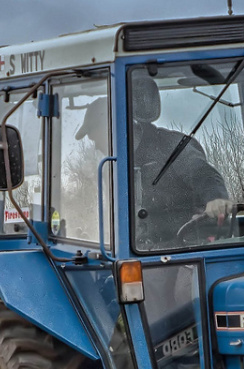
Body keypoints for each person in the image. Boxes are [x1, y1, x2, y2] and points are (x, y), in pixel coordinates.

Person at [78, 75, 235, 248]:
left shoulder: (170, 145)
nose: (97, 147)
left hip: (184, 250)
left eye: (96, 138)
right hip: (141, 250)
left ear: (114, 127)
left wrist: (216, 198)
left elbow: (201, 172)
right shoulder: (118, 166)